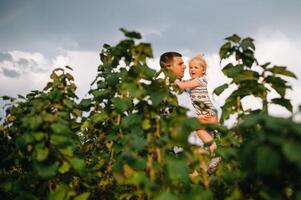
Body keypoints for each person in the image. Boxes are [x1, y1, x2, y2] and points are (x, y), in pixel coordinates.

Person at [159, 52, 220, 173]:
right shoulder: (167, 91)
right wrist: (199, 121)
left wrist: (211, 119)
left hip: (202, 148)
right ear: (168, 67)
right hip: (189, 151)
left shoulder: (189, 89)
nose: (185, 67)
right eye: (180, 64)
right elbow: (171, 121)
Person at [174, 54, 218, 154]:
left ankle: (215, 152)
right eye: (190, 67)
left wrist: (175, 80)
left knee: (199, 130)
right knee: (205, 135)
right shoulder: (192, 81)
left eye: (196, 67)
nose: (192, 69)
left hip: (206, 112)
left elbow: (182, 85)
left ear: (203, 71)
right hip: (203, 112)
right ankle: (211, 155)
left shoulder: (200, 80)